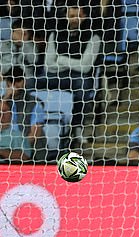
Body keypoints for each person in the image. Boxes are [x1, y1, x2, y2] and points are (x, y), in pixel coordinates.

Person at [37, 2, 101, 130]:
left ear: (85, 17)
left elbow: (86, 67)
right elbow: (48, 64)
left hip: (79, 77)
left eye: (78, 16)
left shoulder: (94, 37)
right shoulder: (54, 34)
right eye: (71, 16)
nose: (74, 19)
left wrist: (60, 59)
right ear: (66, 15)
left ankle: (77, 127)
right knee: (32, 82)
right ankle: (37, 122)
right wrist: (73, 63)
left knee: (82, 85)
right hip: (55, 75)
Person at [3, 67, 48, 161]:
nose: (14, 85)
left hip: (31, 152)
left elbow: (35, 133)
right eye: (11, 81)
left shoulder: (34, 103)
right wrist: (6, 98)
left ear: (24, 81)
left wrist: (19, 149)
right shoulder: (3, 102)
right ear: (7, 83)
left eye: (18, 80)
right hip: (6, 149)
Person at [0, 19, 37, 86]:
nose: (19, 36)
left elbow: (33, 60)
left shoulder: (31, 47)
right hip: (5, 76)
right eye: (17, 32)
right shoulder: (3, 45)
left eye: (24, 34)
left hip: (25, 78)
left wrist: (26, 43)